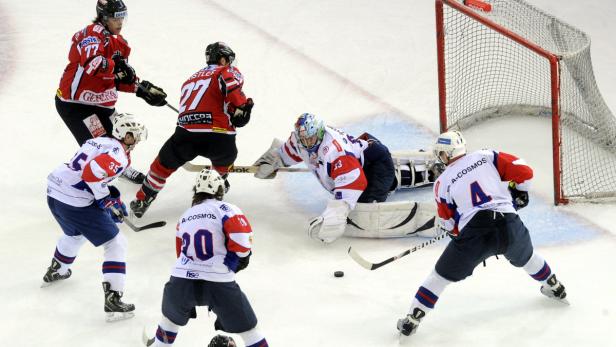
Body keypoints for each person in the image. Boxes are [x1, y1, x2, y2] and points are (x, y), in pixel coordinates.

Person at [396, 130, 568, 337]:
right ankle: (554, 286)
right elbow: (524, 171)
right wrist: (520, 193)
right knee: (528, 257)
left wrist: (457, 233)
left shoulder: (442, 183)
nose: (439, 158)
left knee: (439, 277)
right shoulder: (487, 156)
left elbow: (450, 223)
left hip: (476, 233)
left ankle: (413, 319)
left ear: (446, 154)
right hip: (509, 224)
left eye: (441, 153)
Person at [252, 113, 442, 243]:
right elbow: (289, 151)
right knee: (372, 185)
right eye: (303, 140)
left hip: (375, 165)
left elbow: (354, 183)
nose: (306, 143)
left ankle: (425, 216)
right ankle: (414, 175)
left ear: (318, 133)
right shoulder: (302, 139)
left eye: (310, 139)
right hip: (364, 157)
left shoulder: (335, 152)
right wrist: (273, 161)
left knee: (364, 206)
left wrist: (334, 216)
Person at [42, 113, 147, 322]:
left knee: (76, 233)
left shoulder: (98, 141)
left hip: (55, 191)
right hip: (74, 199)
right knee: (117, 243)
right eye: (132, 134)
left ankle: (58, 269)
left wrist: (110, 198)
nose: (136, 138)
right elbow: (91, 173)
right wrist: (106, 200)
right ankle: (113, 298)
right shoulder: (118, 153)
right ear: (123, 135)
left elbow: (91, 173)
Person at [144, 169, 268, 347]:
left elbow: (180, 253)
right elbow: (242, 241)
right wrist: (234, 262)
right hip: (218, 281)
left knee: (169, 322)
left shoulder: (185, 216)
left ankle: (159, 345)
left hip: (181, 279)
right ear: (219, 190)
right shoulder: (226, 209)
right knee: (250, 331)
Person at [130, 41, 254, 218]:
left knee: (162, 165)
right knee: (225, 158)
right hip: (219, 135)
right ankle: (217, 183)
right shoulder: (225, 71)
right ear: (222, 59)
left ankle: (143, 199)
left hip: (186, 133)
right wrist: (242, 107)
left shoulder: (190, 79)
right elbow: (232, 89)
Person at [55, 0, 167, 183]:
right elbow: (94, 64)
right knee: (100, 146)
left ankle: (122, 167)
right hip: (77, 105)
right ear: (104, 18)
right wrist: (118, 68)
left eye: (122, 17)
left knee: (125, 134)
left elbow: (116, 79)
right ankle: (87, 182)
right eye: (116, 18)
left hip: (101, 103)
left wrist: (141, 89)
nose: (120, 22)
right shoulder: (91, 35)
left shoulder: (120, 44)